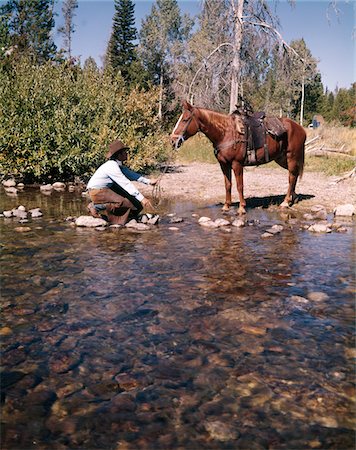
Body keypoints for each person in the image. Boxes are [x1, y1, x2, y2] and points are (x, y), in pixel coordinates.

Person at [86, 139, 158, 225]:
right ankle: (95, 207)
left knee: (137, 204)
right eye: (124, 152)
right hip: (96, 191)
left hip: (105, 189)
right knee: (124, 203)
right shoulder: (112, 166)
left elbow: (132, 175)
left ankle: (129, 217)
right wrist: (142, 198)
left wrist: (149, 182)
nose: (127, 154)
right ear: (119, 155)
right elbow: (126, 184)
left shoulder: (118, 165)